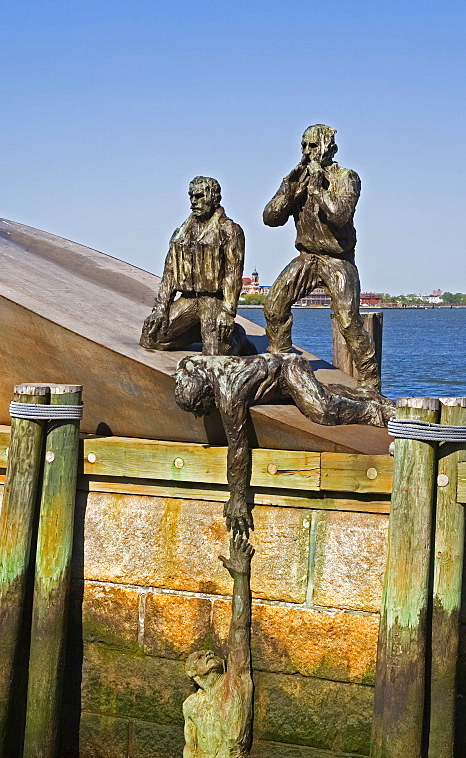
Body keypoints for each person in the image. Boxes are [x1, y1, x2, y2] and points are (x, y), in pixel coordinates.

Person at [175, 352, 395, 536]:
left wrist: (237, 498)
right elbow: (183, 365)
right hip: (268, 370)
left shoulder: (228, 392)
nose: (199, 414)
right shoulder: (190, 366)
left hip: (287, 369)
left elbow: (239, 445)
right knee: (319, 396)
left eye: (200, 406)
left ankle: (376, 411)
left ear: (207, 391)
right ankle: (363, 393)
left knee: (323, 411)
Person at [262, 124, 380, 390]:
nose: (307, 151)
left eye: (313, 146)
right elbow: (270, 218)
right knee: (274, 306)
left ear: (332, 149)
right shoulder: (298, 180)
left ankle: (369, 380)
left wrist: (316, 188)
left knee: (348, 322)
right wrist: (288, 188)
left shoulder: (347, 177)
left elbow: (339, 215)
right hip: (307, 257)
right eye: (304, 145)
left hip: (338, 260)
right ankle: (283, 367)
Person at [141, 176, 255, 356]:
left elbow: (233, 275)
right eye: (191, 196)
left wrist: (227, 311)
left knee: (216, 351)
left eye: (200, 196)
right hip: (187, 299)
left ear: (215, 198)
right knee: (151, 336)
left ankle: (237, 337)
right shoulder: (181, 232)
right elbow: (170, 272)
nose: (194, 201)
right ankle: (196, 331)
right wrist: (161, 307)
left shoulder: (230, 230)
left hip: (213, 300)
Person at [183, 534, 254, 758]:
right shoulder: (191, 705)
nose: (209, 653)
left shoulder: (234, 682)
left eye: (209, 653)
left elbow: (239, 630)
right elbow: (190, 745)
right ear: (193, 674)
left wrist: (240, 578)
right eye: (200, 657)